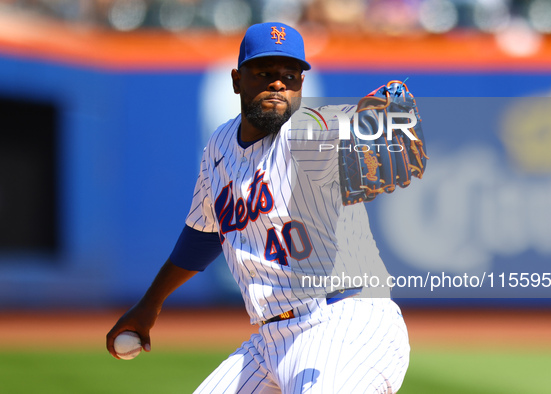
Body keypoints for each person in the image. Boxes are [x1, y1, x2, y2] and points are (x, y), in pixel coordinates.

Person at [107, 22, 411, 393]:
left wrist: (385, 114)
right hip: (272, 337)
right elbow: (203, 235)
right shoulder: (219, 146)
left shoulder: (306, 132)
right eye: (264, 73)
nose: (279, 83)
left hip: (347, 320)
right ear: (237, 80)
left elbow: (351, 125)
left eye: (290, 75)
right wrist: (149, 305)